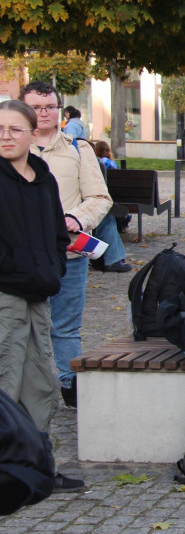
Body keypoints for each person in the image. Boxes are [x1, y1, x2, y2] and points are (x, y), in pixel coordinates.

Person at [0, 99, 84, 494]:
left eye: (15, 129)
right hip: (6, 294)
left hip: (40, 293)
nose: (6, 136)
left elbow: (55, 230)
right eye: (0, 129)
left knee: (40, 382)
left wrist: (53, 267)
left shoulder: (42, 176)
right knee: (6, 380)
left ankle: (37, 466)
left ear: (33, 134)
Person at [21, 82, 112, 411]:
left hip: (67, 252)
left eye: (50, 106)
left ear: (59, 110)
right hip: (20, 256)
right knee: (20, 323)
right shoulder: (12, 147)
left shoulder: (78, 148)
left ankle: (68, 386)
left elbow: (100, 198)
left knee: (66, 325)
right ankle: (24, 388)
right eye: (36, 106)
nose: (43, 112)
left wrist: (77, 217)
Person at [84, 141, 132, 274]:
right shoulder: (97, 164)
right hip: (80, 209)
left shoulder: (93, 164)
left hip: (84, 206)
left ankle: (111, 258)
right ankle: (113, 259)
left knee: (106, 216)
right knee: (106, 217)